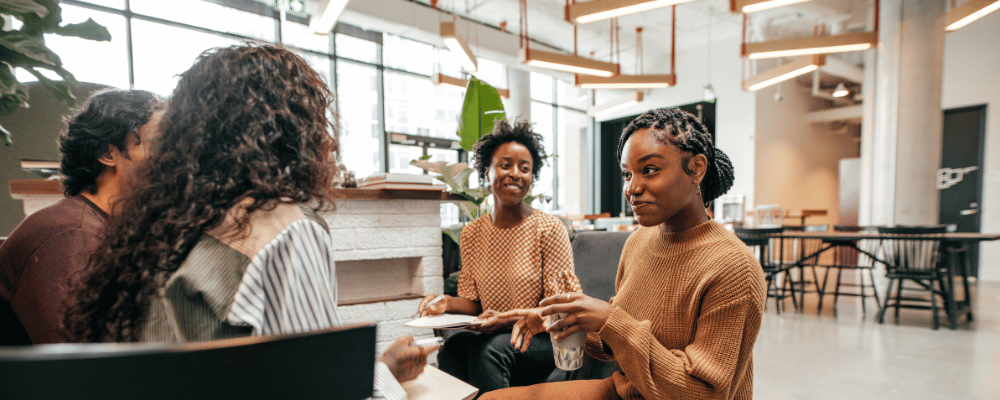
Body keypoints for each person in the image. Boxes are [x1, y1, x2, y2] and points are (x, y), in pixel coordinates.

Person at [62, 45, 432, 399]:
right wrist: (385, 374)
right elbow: (318, 390)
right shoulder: (285, 225)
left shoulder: (156, 225)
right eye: (315, 121)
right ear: (288, 135)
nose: (330, 142)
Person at [485, 107, 766, 400]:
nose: (631, 188)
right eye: (627, 174)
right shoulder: (638, 242)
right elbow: (613, 344)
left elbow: (701, 392)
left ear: (695, 169)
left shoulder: (734, 266)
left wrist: (611, 320)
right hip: (628, 391)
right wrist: (574, 319)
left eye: (649, 170)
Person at [415, 119, 582, 395]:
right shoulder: (471, 233)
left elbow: (563, 309)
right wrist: (445, 303)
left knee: (489, 350)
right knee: (454, 347)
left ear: (531, 176)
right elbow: (472, 303)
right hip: (499, 336)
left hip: (543, 337)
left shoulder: (549, 228)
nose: (515, 174)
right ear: (486, 171)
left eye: (524, 168)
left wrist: (505, 320)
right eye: (505, 165)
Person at [0, 89, 163, 345]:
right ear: (108, 154)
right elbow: (80, 366)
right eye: (158, 144)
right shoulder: (71, 235)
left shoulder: (109, 228)